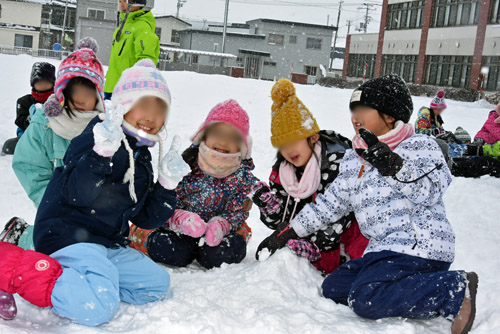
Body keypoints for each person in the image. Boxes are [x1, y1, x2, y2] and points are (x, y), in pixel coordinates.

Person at [258, 75, 478, 334]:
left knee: (366, 298)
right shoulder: (355, 158)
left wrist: (394, 166)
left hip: (418, 247)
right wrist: (288, 232)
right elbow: (330, 204)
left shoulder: (420, 145)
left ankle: (451, 289)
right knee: (333, 288)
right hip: (383, 250)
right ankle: (404, 286)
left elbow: (430, 189)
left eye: (363, 110)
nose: (355, 116)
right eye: (353, 110)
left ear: (389, 114)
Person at [0, 59, 189, 326]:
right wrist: (100, 156)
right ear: (123, 103)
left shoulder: (141, 156)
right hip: (67, 235)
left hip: (105, 243)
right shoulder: (98, 135)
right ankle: (9, 264)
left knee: (155, 284)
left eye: (160, 109)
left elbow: (145, 218)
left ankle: (85, 277)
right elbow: (78, 195)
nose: (151, 117)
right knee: (99, 307)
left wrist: (168, 186)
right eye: (143, 104)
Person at [251, 79, 368, 275]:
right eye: (282, 144)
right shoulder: (282, 172)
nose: (289, 150)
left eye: (294, 141)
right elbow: (282, 222)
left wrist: (313, 244)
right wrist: (268, 206)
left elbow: (342, 214)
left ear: (313, 137)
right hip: (304, 233)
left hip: (343, 236)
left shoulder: (337, 163)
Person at [129, 99, 258, 269]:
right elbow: (162, 202)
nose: (223, 141)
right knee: (175, 252)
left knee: (218, 257)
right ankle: (143, 237)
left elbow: (238, 211)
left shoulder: (242, 177)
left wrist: (223, 224)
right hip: (179, 229)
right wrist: (177, 219)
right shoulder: (186, 165)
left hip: (216, 233)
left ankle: (240, 235)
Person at [104, 0, 160, 99]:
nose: (122, 5)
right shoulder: (122, 28)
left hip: (127, 91)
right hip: (111, 88)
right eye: (120, 1)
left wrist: (136, 88)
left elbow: (146, 61)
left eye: (125, 1)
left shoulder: (143, 28)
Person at [1, 62, 56, 155]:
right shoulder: (24, 101)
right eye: (39, 82)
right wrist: (33, 119)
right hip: (28, 138)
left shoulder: (57, 101)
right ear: (33, 84)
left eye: (46, 82)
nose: (43, 85)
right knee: (9, 146)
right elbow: (20, 122)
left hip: (53, 139)